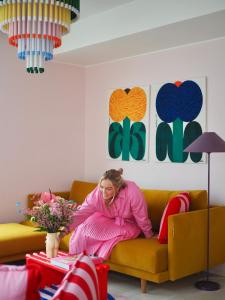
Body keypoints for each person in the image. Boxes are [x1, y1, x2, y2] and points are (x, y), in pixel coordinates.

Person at [68, 168, 153, 260]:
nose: (103, 192)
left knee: (114, 235)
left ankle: (96, 259)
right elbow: (82, 212)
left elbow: (142, 216)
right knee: (83, 227)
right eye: (102, 187)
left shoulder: (133, 191)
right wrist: (63, 230)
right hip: (104, 218)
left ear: (118, 188)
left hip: (127, 223)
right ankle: (77, 261)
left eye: (109, 189)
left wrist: (148, 235)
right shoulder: (97, 193)